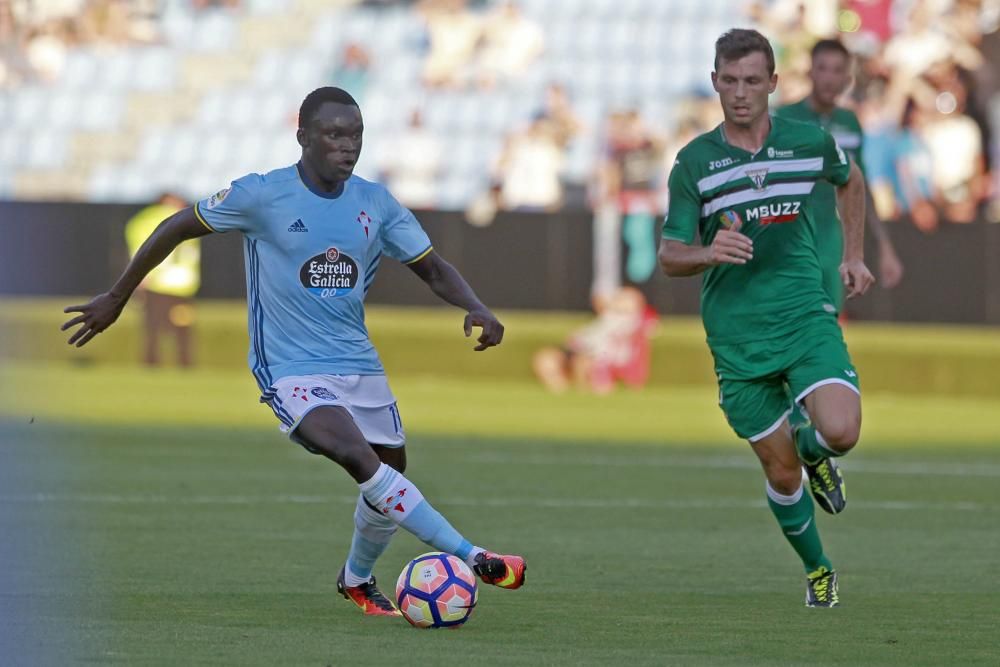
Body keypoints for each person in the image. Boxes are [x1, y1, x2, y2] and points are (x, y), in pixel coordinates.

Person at [62, 87, 526, 618]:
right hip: (288, 369)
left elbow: (434, 268)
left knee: (389, 474)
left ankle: (356, 579)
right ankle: (474, 555)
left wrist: (477, 307)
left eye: (355, 135)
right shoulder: (262, 195)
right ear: (303, 135)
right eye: (334, 134)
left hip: (358, 364)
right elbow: (176, 227)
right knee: (358, 457)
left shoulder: (376, 203)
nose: (347, 146)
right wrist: (118, 296)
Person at [658, 29, 874, 608]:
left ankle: (814, 447)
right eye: (729, 81)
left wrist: (853, 253)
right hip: (737, 337)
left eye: (753, 81)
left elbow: (850, 179)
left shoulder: (809, 142)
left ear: (774, 84)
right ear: (714, 83)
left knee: (842, 431)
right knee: (781, 478)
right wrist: (707, 252)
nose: (740, 93)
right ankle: (819, 568)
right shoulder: (694, 163)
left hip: (804, 314)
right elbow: (669, 253)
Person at [775, 38, 904, 310]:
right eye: (823, 68)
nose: (829, 78)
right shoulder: (783, 119)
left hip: (833, 240)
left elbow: (861, 185)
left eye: (837, 70)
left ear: (847, 78)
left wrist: (885, 246)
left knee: (827, 321)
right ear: (810, 72)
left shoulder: (849, 122)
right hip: (788, 238)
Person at [124, 192, 199, 367]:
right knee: (182, 331)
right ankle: (185, 365)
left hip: (158, 285)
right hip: (180, 286)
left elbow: (139, 253)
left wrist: (139, 280)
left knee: (153, 329)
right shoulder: (189, 218)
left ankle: (151, 364)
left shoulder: (143, 220)